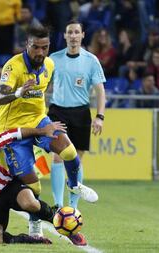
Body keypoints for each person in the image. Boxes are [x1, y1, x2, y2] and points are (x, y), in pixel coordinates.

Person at [0, 25, 98, 246]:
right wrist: (19, 92)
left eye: (45, 47)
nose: (40, 52)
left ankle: (74, 184)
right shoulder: (13, 66)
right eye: (35, 47)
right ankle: (35, 226)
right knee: (35, 187)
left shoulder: (49, 64)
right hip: (12, 131)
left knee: (69, 151)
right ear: (27, 45)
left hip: (39, 121)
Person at [48, 20, 106, 245]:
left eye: (76, 32)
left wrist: (100, 117)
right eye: (69, 32)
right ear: (64, 36)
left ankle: (72, 208)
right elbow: (43, 85)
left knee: (77, 160)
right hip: (58, 113)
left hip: (81, 113)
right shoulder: (53, 59)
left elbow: (100, 90)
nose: (73, 36)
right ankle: (57, 205)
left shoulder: (91, 61)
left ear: (82, 35)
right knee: (57, 156)